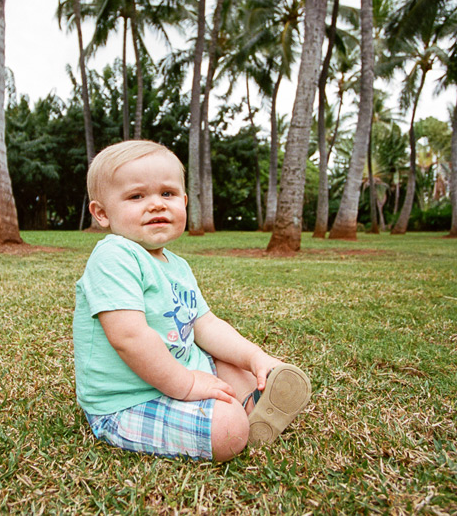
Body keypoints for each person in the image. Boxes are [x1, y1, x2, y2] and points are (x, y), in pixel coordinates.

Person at [73, 140, 311, 462]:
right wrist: (186, 384)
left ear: (184, 202)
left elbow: (205, 325)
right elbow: (129, 338)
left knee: (230, 361)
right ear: (102, 213)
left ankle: (254, 403)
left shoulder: (177, 265)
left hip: (180, 374)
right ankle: (238, 420)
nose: (156, 204)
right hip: (128, 401)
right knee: (227, 430)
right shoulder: (114, 255)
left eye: (167, 194)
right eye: (136, 196)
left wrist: (255, 357)